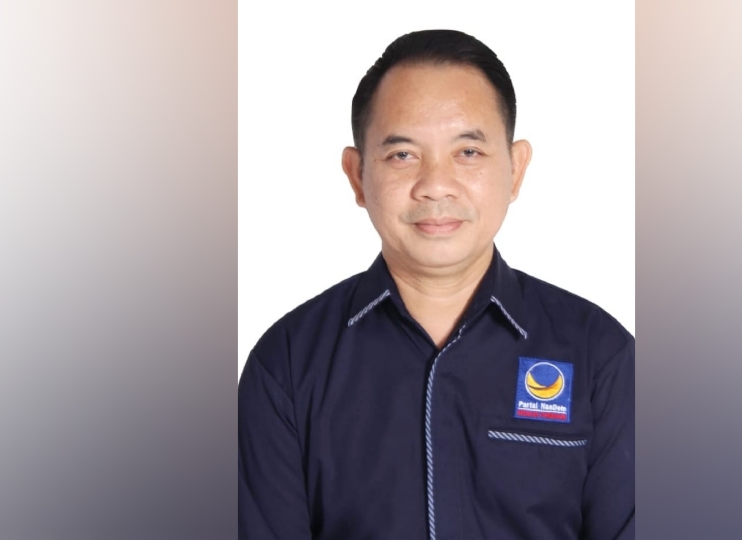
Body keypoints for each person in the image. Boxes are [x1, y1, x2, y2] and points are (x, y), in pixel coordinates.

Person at [238, 29, 634, 540]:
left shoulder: (600, 355)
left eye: (468, 151)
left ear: (515, 169)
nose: (436, 185)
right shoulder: (288, 365)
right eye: (402, 155)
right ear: (357, 176)